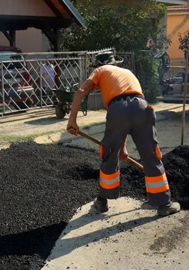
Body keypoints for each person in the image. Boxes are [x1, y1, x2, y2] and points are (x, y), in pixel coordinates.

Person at [66, 52, 181, 216]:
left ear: (98, 65)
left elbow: (80, 91)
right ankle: (164, 203)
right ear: (116, 64)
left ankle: (102, 200)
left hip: (119, 109)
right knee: (151, 154)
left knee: (109, 153)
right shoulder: (126, 73)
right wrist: (123, 148)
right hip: (143, 107)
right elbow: (131, 107)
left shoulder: (100, 71)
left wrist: (72, 120)